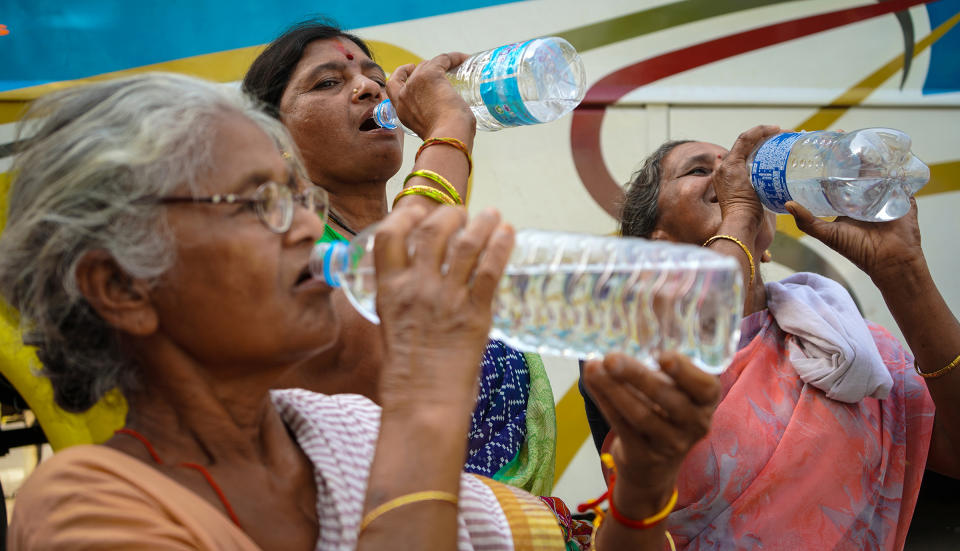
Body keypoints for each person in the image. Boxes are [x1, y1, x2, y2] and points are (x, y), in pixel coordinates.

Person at [2, 72, 720, 551]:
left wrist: (645, 482)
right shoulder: (85, 510)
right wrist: (428, 389)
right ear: (121, 285)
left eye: (302, 200)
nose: (308, 230)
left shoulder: (344, 431)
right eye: (259, 202)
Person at [580, 126, 960, 549]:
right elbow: (699, 352)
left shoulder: (847, 342)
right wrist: (739, 211)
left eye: (734, 169)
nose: (728, 176)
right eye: (700, 170)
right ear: (657, 238)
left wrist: (904, 272)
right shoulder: (621, 339)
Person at [242, 20, 555, 492]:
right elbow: (392, 314)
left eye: (375, 75)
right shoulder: (279, 248)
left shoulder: (458, 250)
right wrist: (449, 131)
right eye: (328, 82)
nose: (368, 87)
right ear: (274, 139)